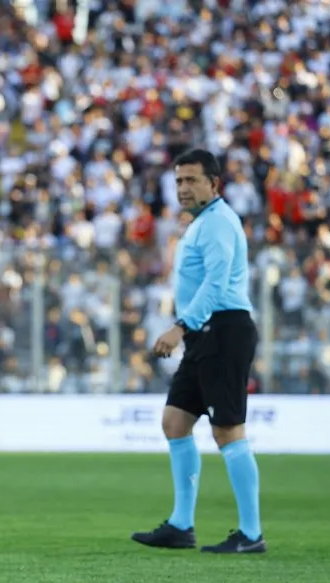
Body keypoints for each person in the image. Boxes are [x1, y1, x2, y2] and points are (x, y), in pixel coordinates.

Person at [132, 148, 265, 554]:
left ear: (214, 183)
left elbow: (216, 282)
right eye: (179, 181)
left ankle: (251, 533)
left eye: (192, 180)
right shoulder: (204, 222)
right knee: (175, 422)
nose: (183, 188)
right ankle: (181, 525)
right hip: (204, 332)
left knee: (227, 430)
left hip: (222, 329)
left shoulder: (220, 223)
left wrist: (180, 326)